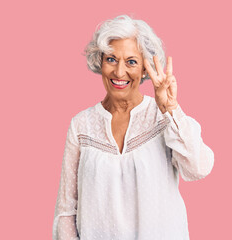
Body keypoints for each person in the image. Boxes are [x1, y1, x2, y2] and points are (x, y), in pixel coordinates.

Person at [52, 14, 215, 240]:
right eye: (111, 59)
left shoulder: (162, 115)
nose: (120, 72)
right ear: (100, 61)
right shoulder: (81, 125)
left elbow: (198, 168)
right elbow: (67, 210)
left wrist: (171, 109)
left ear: (145, 68)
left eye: (131, 62)